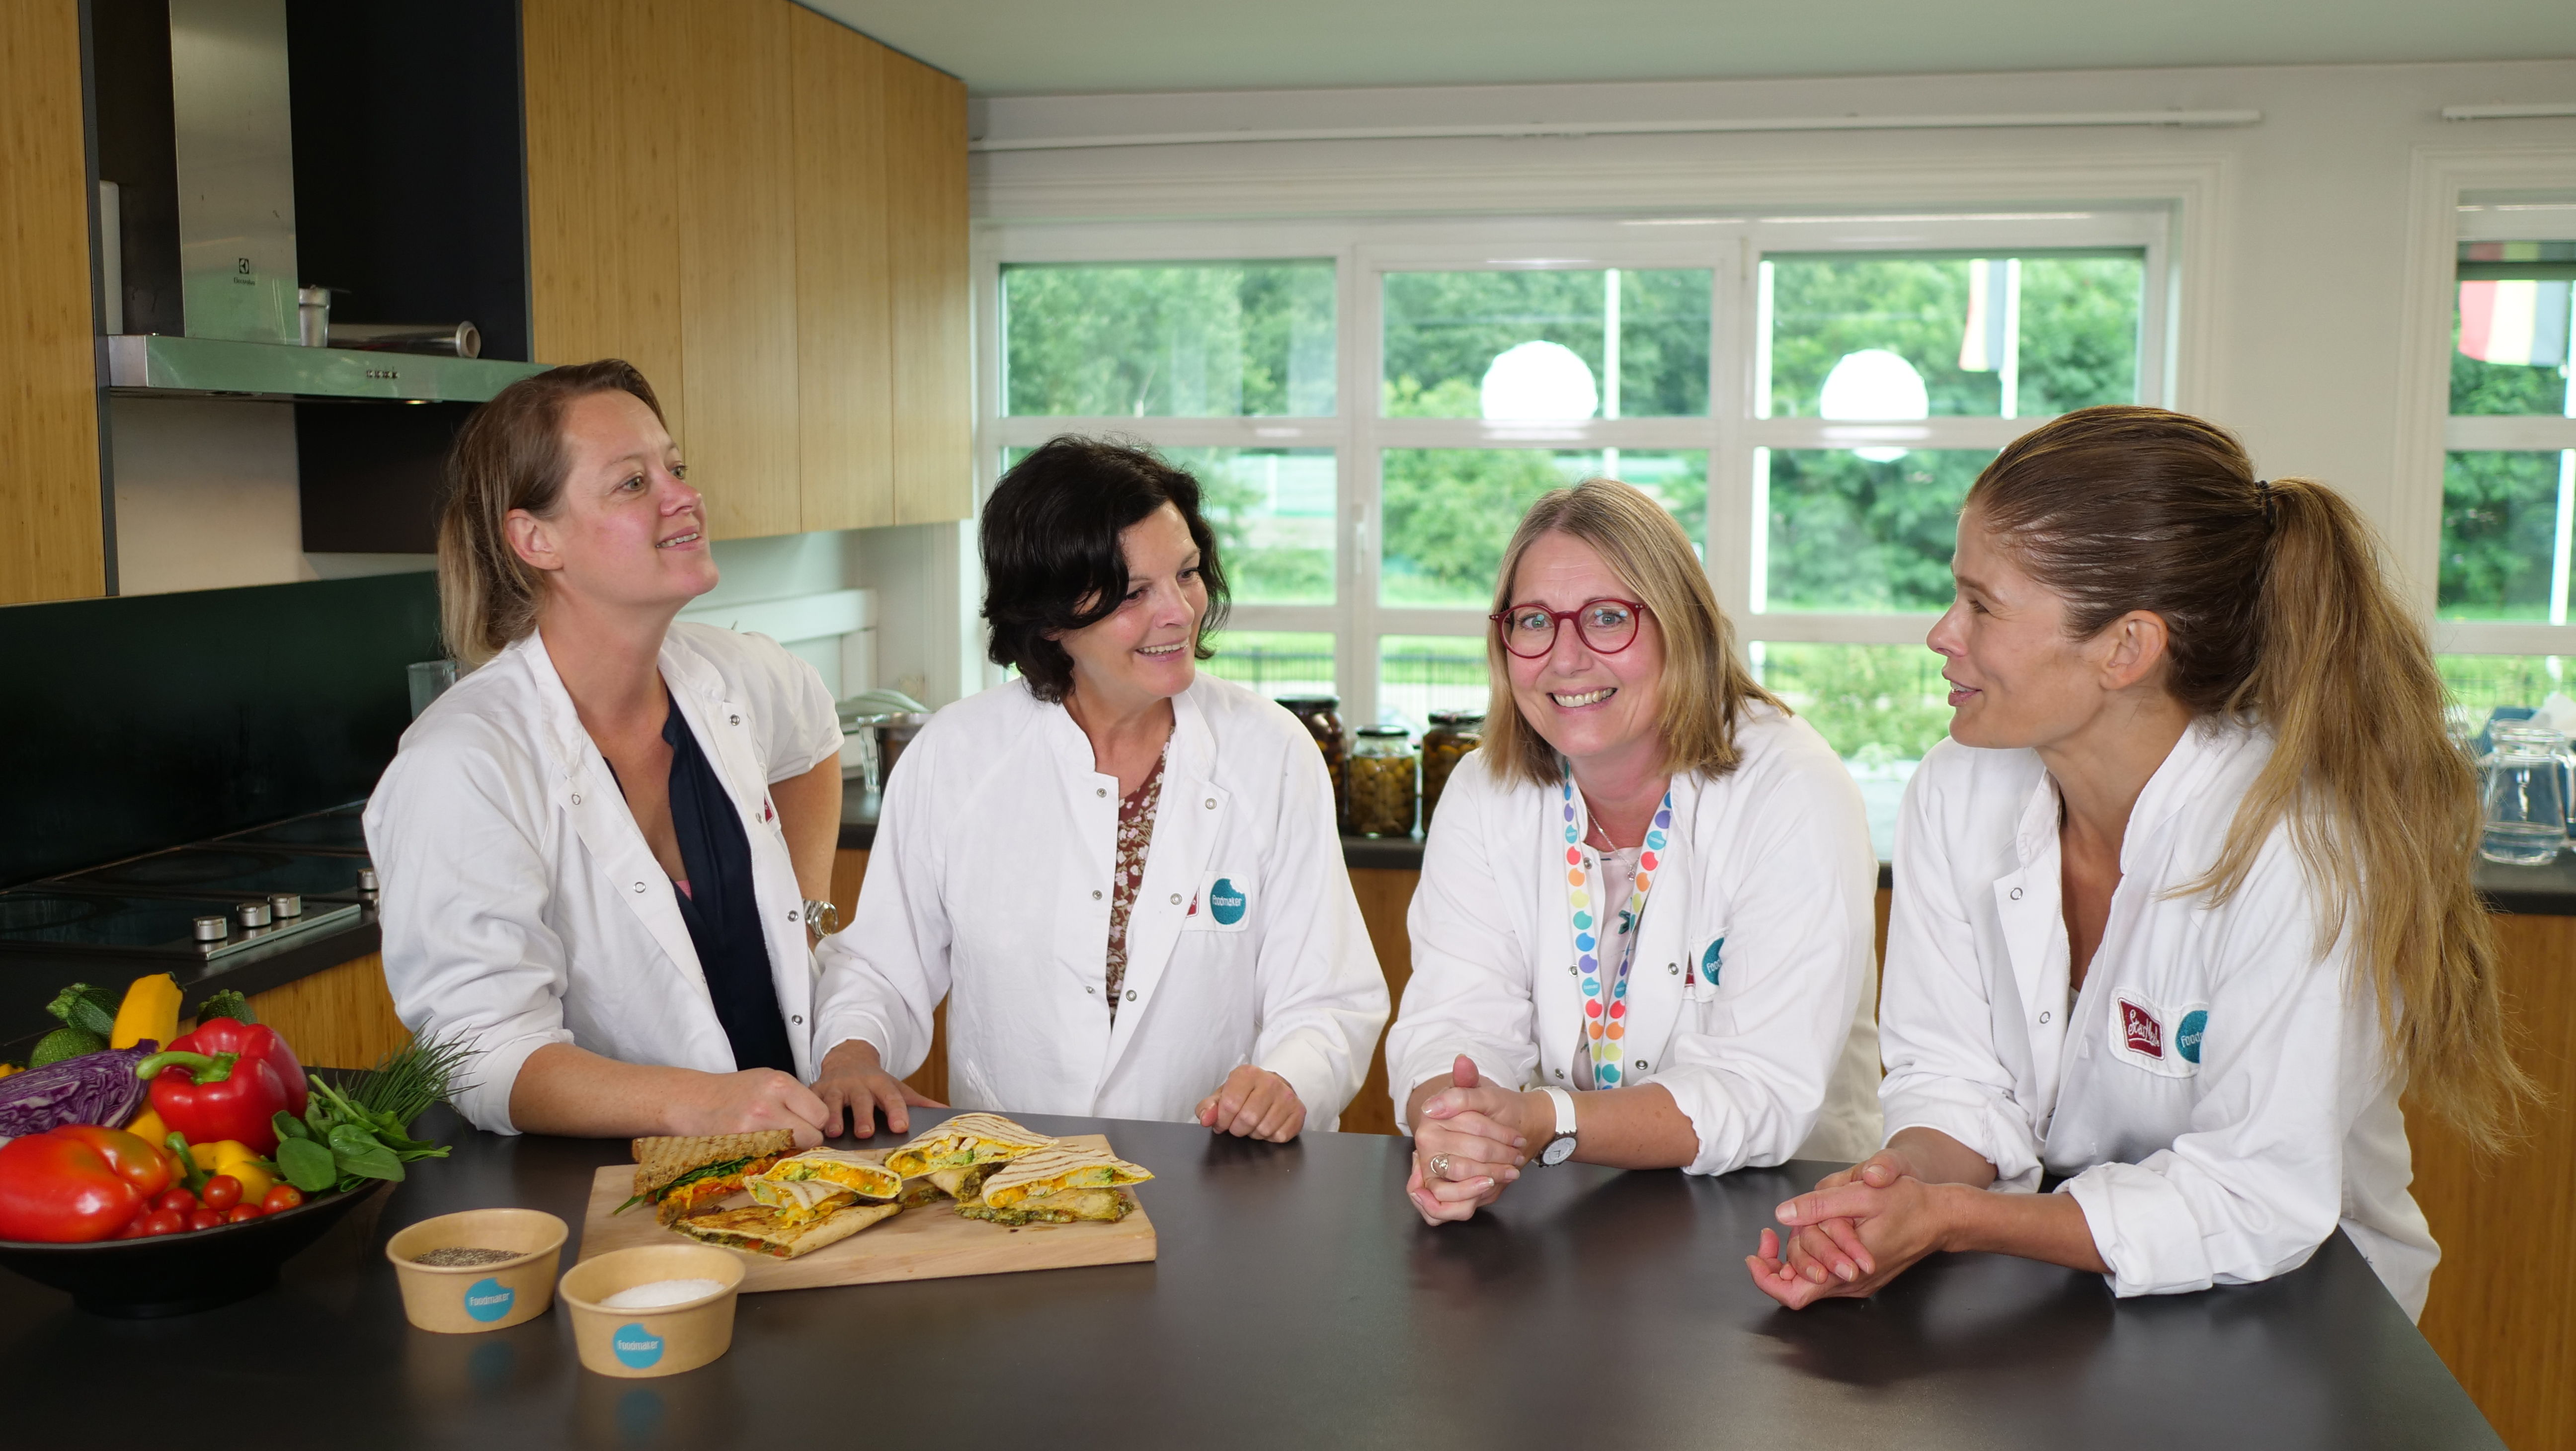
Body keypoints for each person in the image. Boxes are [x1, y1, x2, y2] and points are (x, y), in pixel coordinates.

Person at [1748, 405, 2532, 1317]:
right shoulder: (1959, 790)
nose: (1941, 634)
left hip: (2303, 1312)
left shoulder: (2298, 851)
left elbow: (2254, 1199)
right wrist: (1895, 1192)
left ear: (2126, 647)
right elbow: (1953, 1077)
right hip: (2062, 1295)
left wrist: (1959, 1220)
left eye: (1982, 605)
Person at [809, 437, 1388, 1141]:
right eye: (1135, 593)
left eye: (1187, 574)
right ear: (1051, 618)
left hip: (1218, 1176)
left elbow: (1326, 996)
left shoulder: (1272, 752)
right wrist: (850, 1054)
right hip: (1012, 1174)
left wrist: (1290, 1078)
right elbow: (880, 965)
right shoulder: (955, 756)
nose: (1178, 611)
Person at [367, 360, 845, 1144]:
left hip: (793, 1165)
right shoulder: (463, 763)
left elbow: (813, 734)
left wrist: (810, 918)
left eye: (676, 467)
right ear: (535, 538)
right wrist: (698, 1104)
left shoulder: (734, 675)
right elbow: (480, 1053)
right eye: (632, 483)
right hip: (605, 1200)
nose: (683, 494)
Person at [1383, 479, 1884, 1225]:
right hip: (1561, 1218)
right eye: (1533, 622)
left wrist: (1537, 1121)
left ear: (1681, 627)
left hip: (1779, 1221)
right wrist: (1456, 1125)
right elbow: (1453, 1022)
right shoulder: (1487, 789)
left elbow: (1760, 1089)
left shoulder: (1790, 789)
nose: (1565, 659)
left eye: (1608, 618)